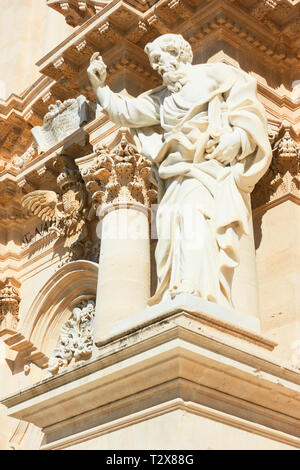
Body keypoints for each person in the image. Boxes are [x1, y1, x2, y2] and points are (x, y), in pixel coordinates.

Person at [87, 34, 272, 308]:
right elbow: (125, 112)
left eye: (160, 60)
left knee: (196, 221)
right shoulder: (162, 99)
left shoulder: (218, 75)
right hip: (175, 178)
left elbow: (249, 112)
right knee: (170, 236)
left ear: (178, 54)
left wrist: (238, 140)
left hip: (207, 172)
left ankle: (199, 291)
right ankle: (178, 288)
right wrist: (100, 87)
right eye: (154, 63)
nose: (158, 68)